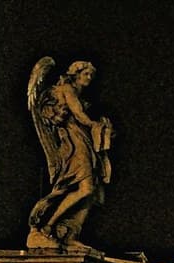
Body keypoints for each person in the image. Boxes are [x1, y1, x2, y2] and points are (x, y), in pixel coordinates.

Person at [27, 58, 113, 249]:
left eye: (91, 75)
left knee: (92, 194)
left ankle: (70, 233)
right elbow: (79, 114)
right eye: (85, 74)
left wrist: (103, 127)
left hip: (85, 141)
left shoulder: (79, 95)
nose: (89, 78)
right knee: (86, 188)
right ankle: (47, 227)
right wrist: (94, 124)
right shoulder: (67, 89)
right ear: (75, 74)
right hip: (74, 143)